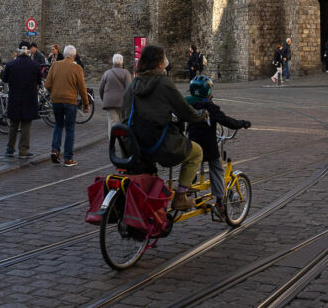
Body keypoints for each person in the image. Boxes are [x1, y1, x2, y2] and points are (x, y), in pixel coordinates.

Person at [122, 44, 207, 211]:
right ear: (160, 63)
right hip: (159, 143)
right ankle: (181, 197)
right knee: (197, 152)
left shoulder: (132, 85)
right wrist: (201, 115)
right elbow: (184, 110)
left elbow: (124, 113)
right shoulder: (164, 83)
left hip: (134, 144)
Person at [184, 76, 251, 218]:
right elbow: (226, 121)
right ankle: (220, 201)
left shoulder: (186, 103)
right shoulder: (210, 107)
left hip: (191, 144)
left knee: (192, 164)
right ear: (207, 91)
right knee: (217, 168)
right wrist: (242, 123)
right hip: (208, 146)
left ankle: (188, 187)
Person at [44, 45, 89, 167]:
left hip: (56, 100)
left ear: (63, 55)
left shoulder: (55, 65)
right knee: (70, 129)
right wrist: (86, 104)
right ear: (74, 56)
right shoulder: (77, 68)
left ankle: (55, 150)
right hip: (70, 101)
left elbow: (47, 84)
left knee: (58, 125)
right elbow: (82, 89)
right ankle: (68, 158)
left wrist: (55, 91)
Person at [4, 44, 40, 158]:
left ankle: (10, 148)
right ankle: (23, 150)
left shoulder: (10, 64)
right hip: (29, 97)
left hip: (15, 96)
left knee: (13, 125)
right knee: (26, 125)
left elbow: (5, 79)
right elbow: (39, 80)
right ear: (28, 52)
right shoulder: (35, 65)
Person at [99, 53, 132, 137]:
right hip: (122, 103)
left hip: (109, 102)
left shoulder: (107, 73)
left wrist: (104, 99)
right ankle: (122, 144)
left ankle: (112, 144)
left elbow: (101, 88)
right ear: (122, 63)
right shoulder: (126, 73)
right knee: (123, 123)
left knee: (112, 123)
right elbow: (129, 89)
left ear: (113, 63)